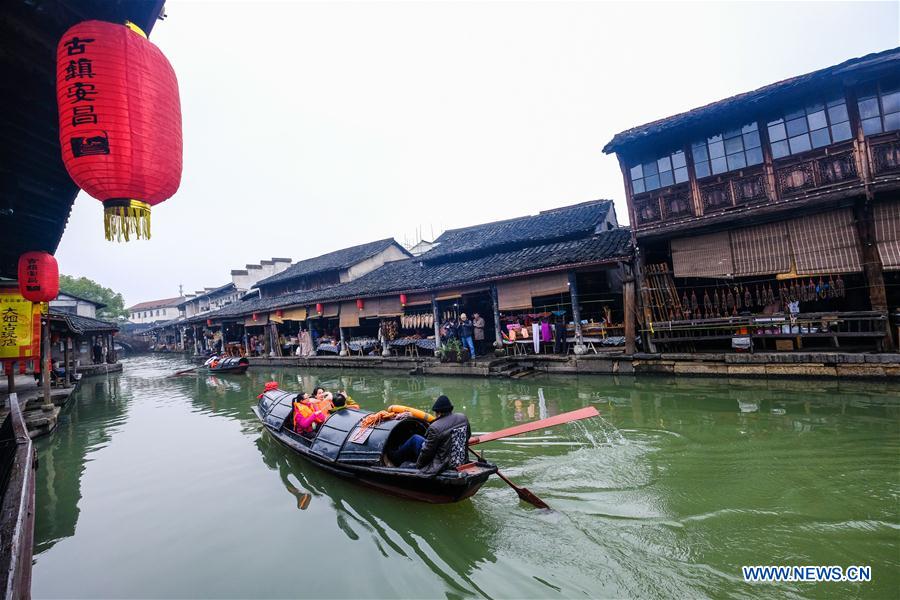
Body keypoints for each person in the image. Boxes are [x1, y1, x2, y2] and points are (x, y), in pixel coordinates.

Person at [389, 395, 471, 474]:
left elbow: (427, 452)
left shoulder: (435, 428)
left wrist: (418, 466)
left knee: (414, 440)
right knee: (416, 439)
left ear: (438, 413)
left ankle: (395, 457)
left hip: (440, 465)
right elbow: (468, 436)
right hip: (459, 459)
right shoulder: (463, 418)